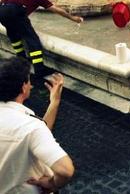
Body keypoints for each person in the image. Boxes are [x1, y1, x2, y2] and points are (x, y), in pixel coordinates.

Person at [0, 57, 75, 193]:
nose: (31, 85)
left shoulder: (30, 126)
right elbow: (65, 170)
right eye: (29, 81)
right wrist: (52, 183)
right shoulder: (30, 127)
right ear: (23, 87)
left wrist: (54, 102)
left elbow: (39, 132)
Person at [0, 0, 83, 78]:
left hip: (2, 10)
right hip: (15, 10)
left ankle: (21, 59)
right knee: (33, 40)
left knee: (13, 35)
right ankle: (39, 69)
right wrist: (73, 18)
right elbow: (57, 10)